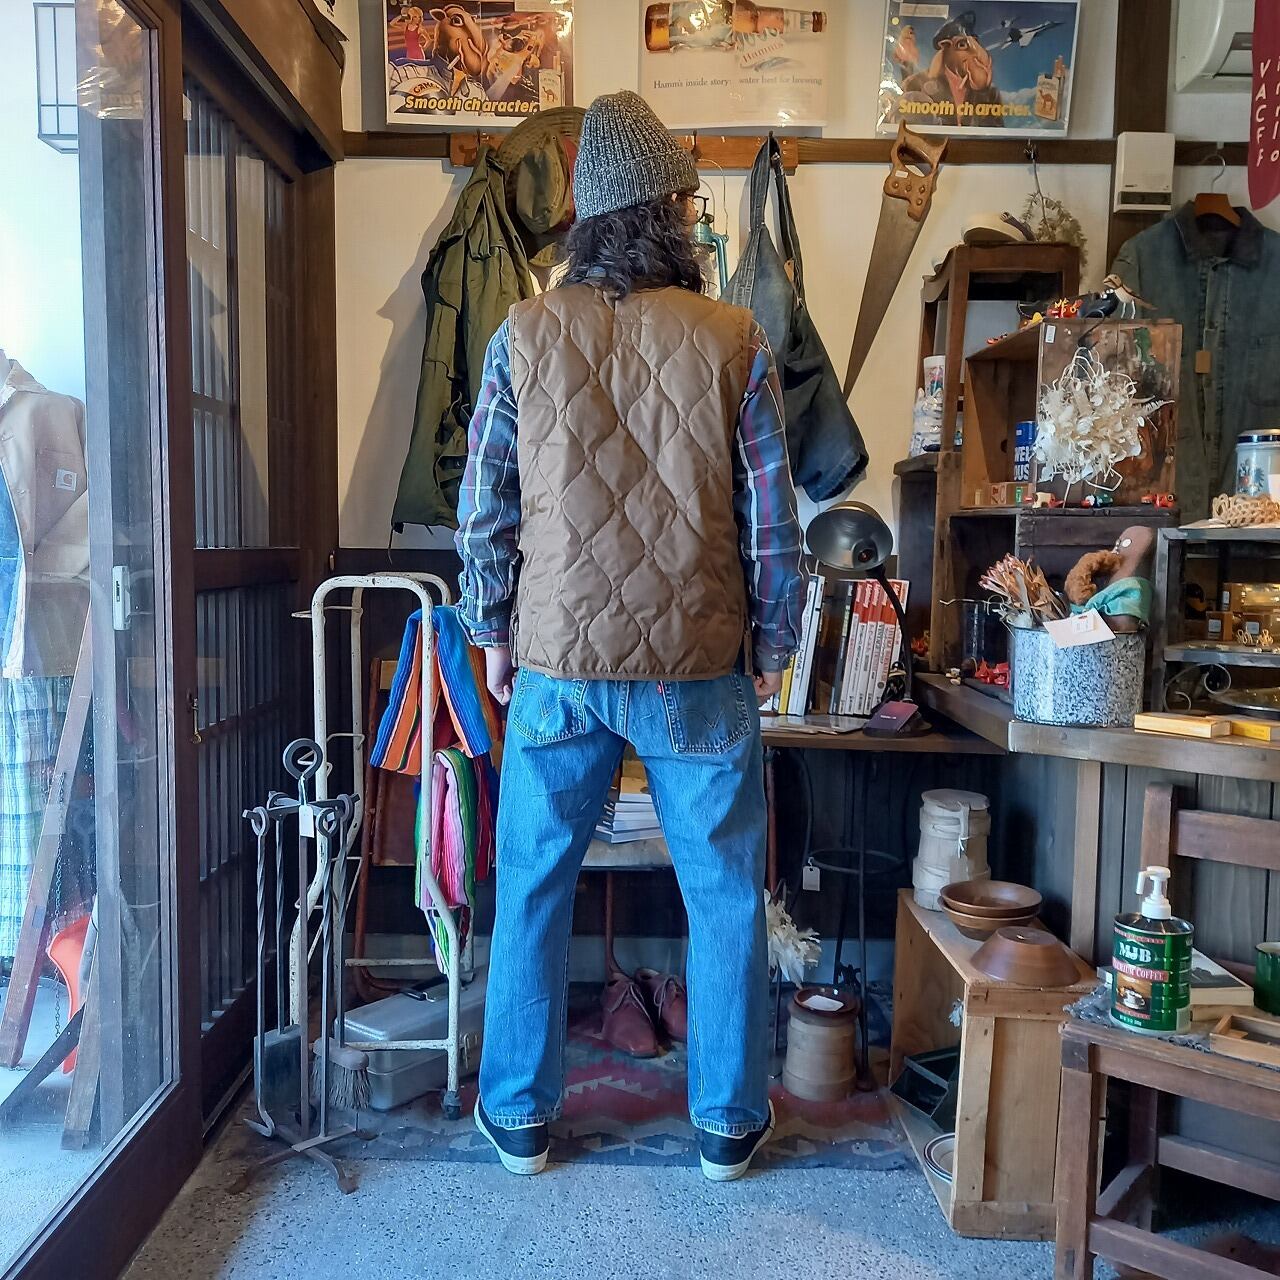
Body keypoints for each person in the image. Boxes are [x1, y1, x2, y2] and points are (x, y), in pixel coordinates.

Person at [455, 90, 805, 1182]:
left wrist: (491, 631)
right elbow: (772, 519)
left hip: (558, 662)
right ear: (671, 210)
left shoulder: (522, 334)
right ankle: (727, 1124)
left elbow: (485, 504)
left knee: (532, 885)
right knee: (723, 894)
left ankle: (518, 1117)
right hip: (695, 662)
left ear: (585, 215)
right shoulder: (734, 338)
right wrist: (774, 641)